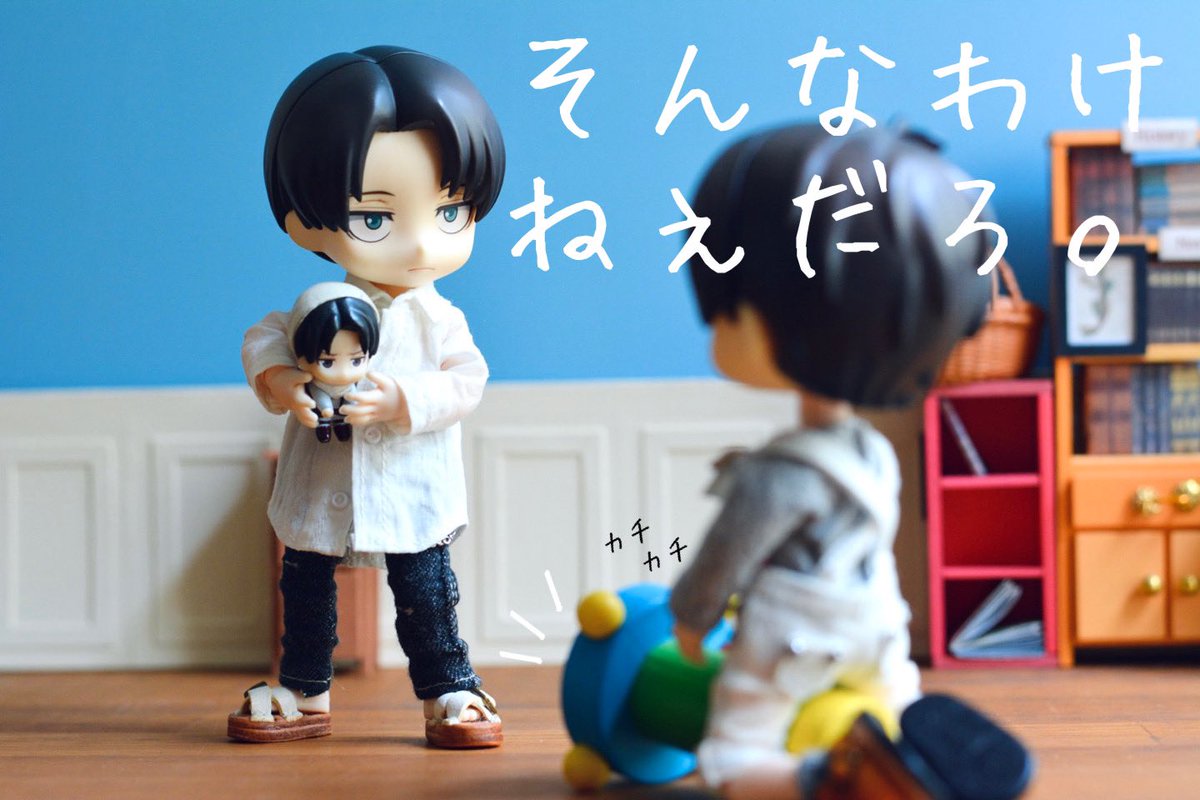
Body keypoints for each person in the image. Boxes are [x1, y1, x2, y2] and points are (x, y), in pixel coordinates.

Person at [668, 124, 993, 798]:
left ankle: (823, 779)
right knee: (897, 709)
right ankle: (911, 762)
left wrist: (692, 618)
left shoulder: (779, 474)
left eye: (729, 310)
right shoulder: (873, 452)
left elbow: (725, 556)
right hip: (878, 626)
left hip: (796, 640)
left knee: (731, 756)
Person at [228, 45, 505, 749]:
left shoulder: (439, 320)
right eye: (375, 220)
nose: (421, 244)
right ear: (303, 222)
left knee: (426, 593)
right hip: (321, 484)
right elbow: (264, 340)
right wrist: (284, 382)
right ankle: (304, 690)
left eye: (450, 211)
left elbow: (467, 381)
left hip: (415, 488)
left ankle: (448, 688)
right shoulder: (316, 304)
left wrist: (400, 402)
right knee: (306, 589)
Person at [287, 283, 381, 444]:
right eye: (327, 363)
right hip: (317, 415)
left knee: (345, 410)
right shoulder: (315, 382)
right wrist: (276, 374)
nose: (344, 373)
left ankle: (340, 424)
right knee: (322, 411)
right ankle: (324, 425)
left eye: (356, 360)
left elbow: (352, 396)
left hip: (346, 405)